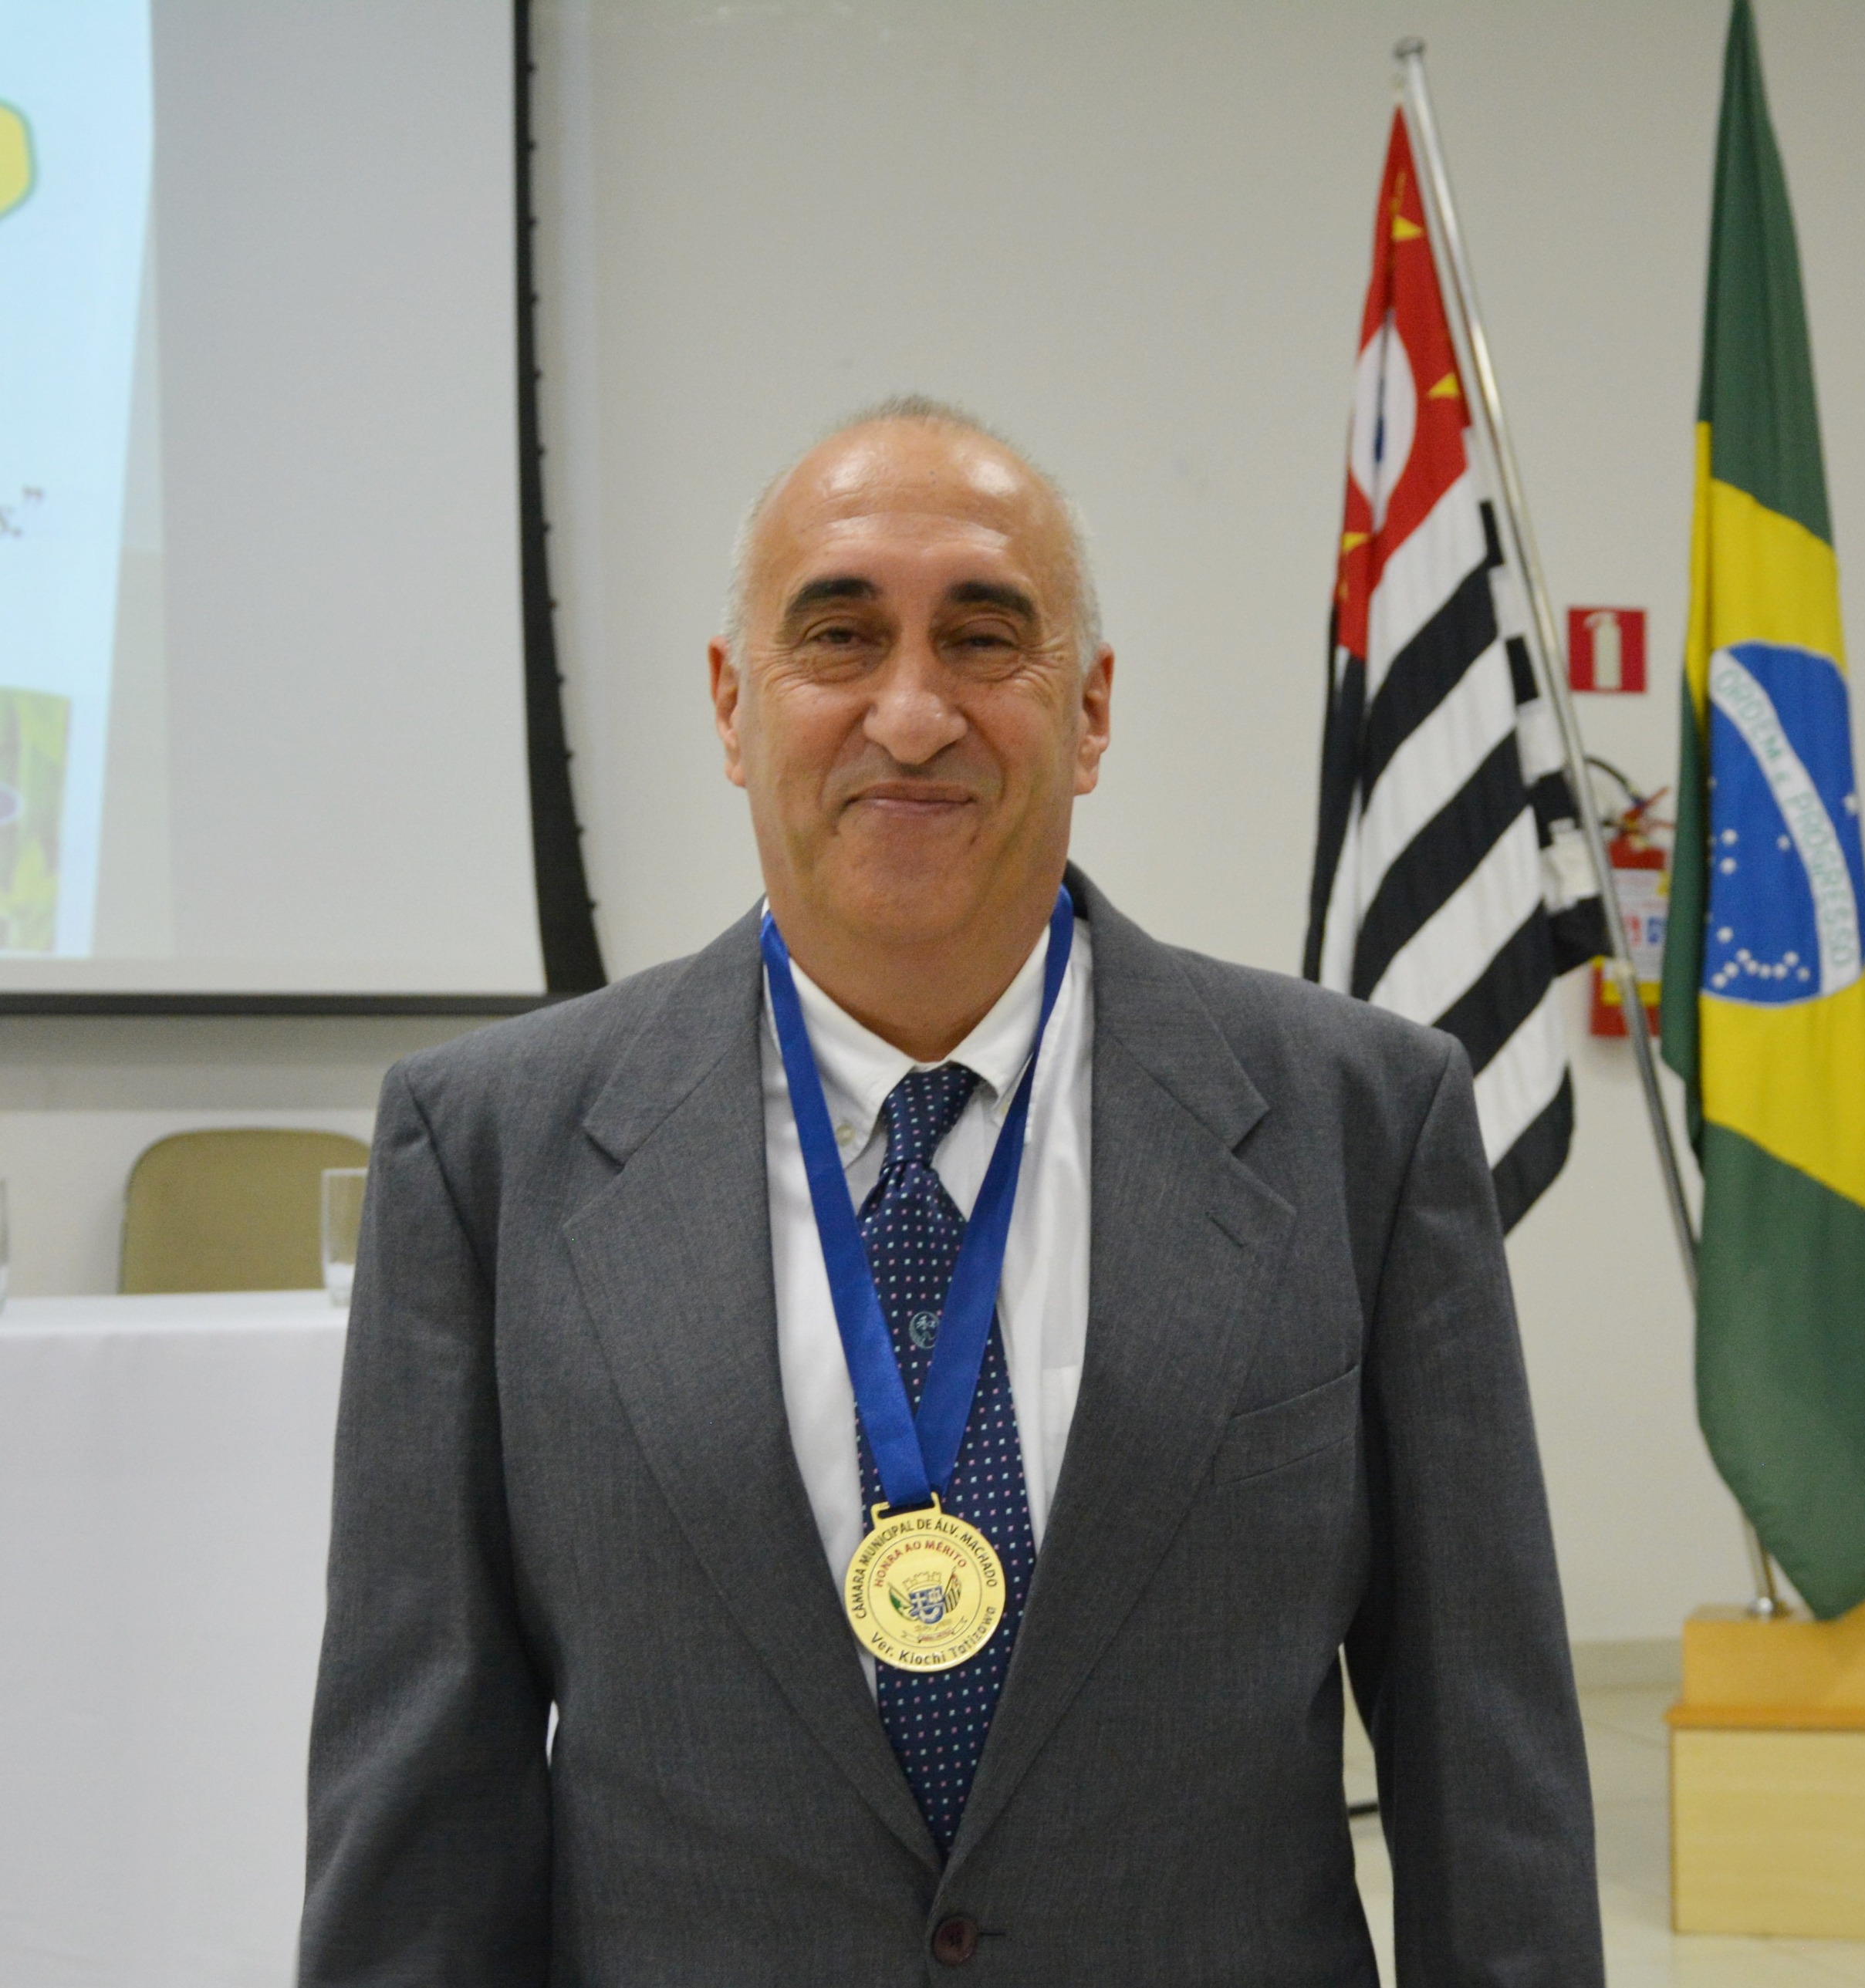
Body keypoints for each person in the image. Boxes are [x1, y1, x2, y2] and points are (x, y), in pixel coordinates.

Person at [299, 397, 1603, 1985]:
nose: (912, 714)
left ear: (1092, 708)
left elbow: (1487, 1764)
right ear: (732, 703)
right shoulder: (486, 1155)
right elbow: (420, 1813)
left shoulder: (1363, 1127)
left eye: (985, 640)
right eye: (838, 636)